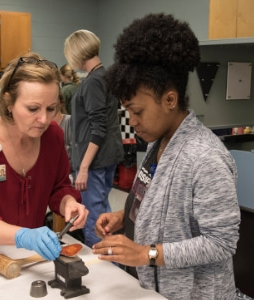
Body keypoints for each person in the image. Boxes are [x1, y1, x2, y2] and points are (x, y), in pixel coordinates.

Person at [93, 13, 240, 299]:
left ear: (170, 100)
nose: (132, 121)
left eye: (138, 111)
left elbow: (222, 242)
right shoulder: (157, 144)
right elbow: (157, 203)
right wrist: (124, 217)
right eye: (128, 112)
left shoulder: (205, 157)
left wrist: (146, 253)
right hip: (157, 290)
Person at [0, 52, 88, 261]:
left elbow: (59, 187)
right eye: (32, 109)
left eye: (51, 108)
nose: (43, 119)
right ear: (9, 102)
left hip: (24, 253)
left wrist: (68, 203)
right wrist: (23, 235)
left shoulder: (53, 136)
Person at [63, 29, 124, 248]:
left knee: (93, 220)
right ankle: (110, 262)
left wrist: (84, 167)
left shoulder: (92, 82)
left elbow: (98, 128)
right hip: (105, 157)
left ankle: (103, 267)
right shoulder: (104, 76)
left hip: (95, 161)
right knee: (102, 213)